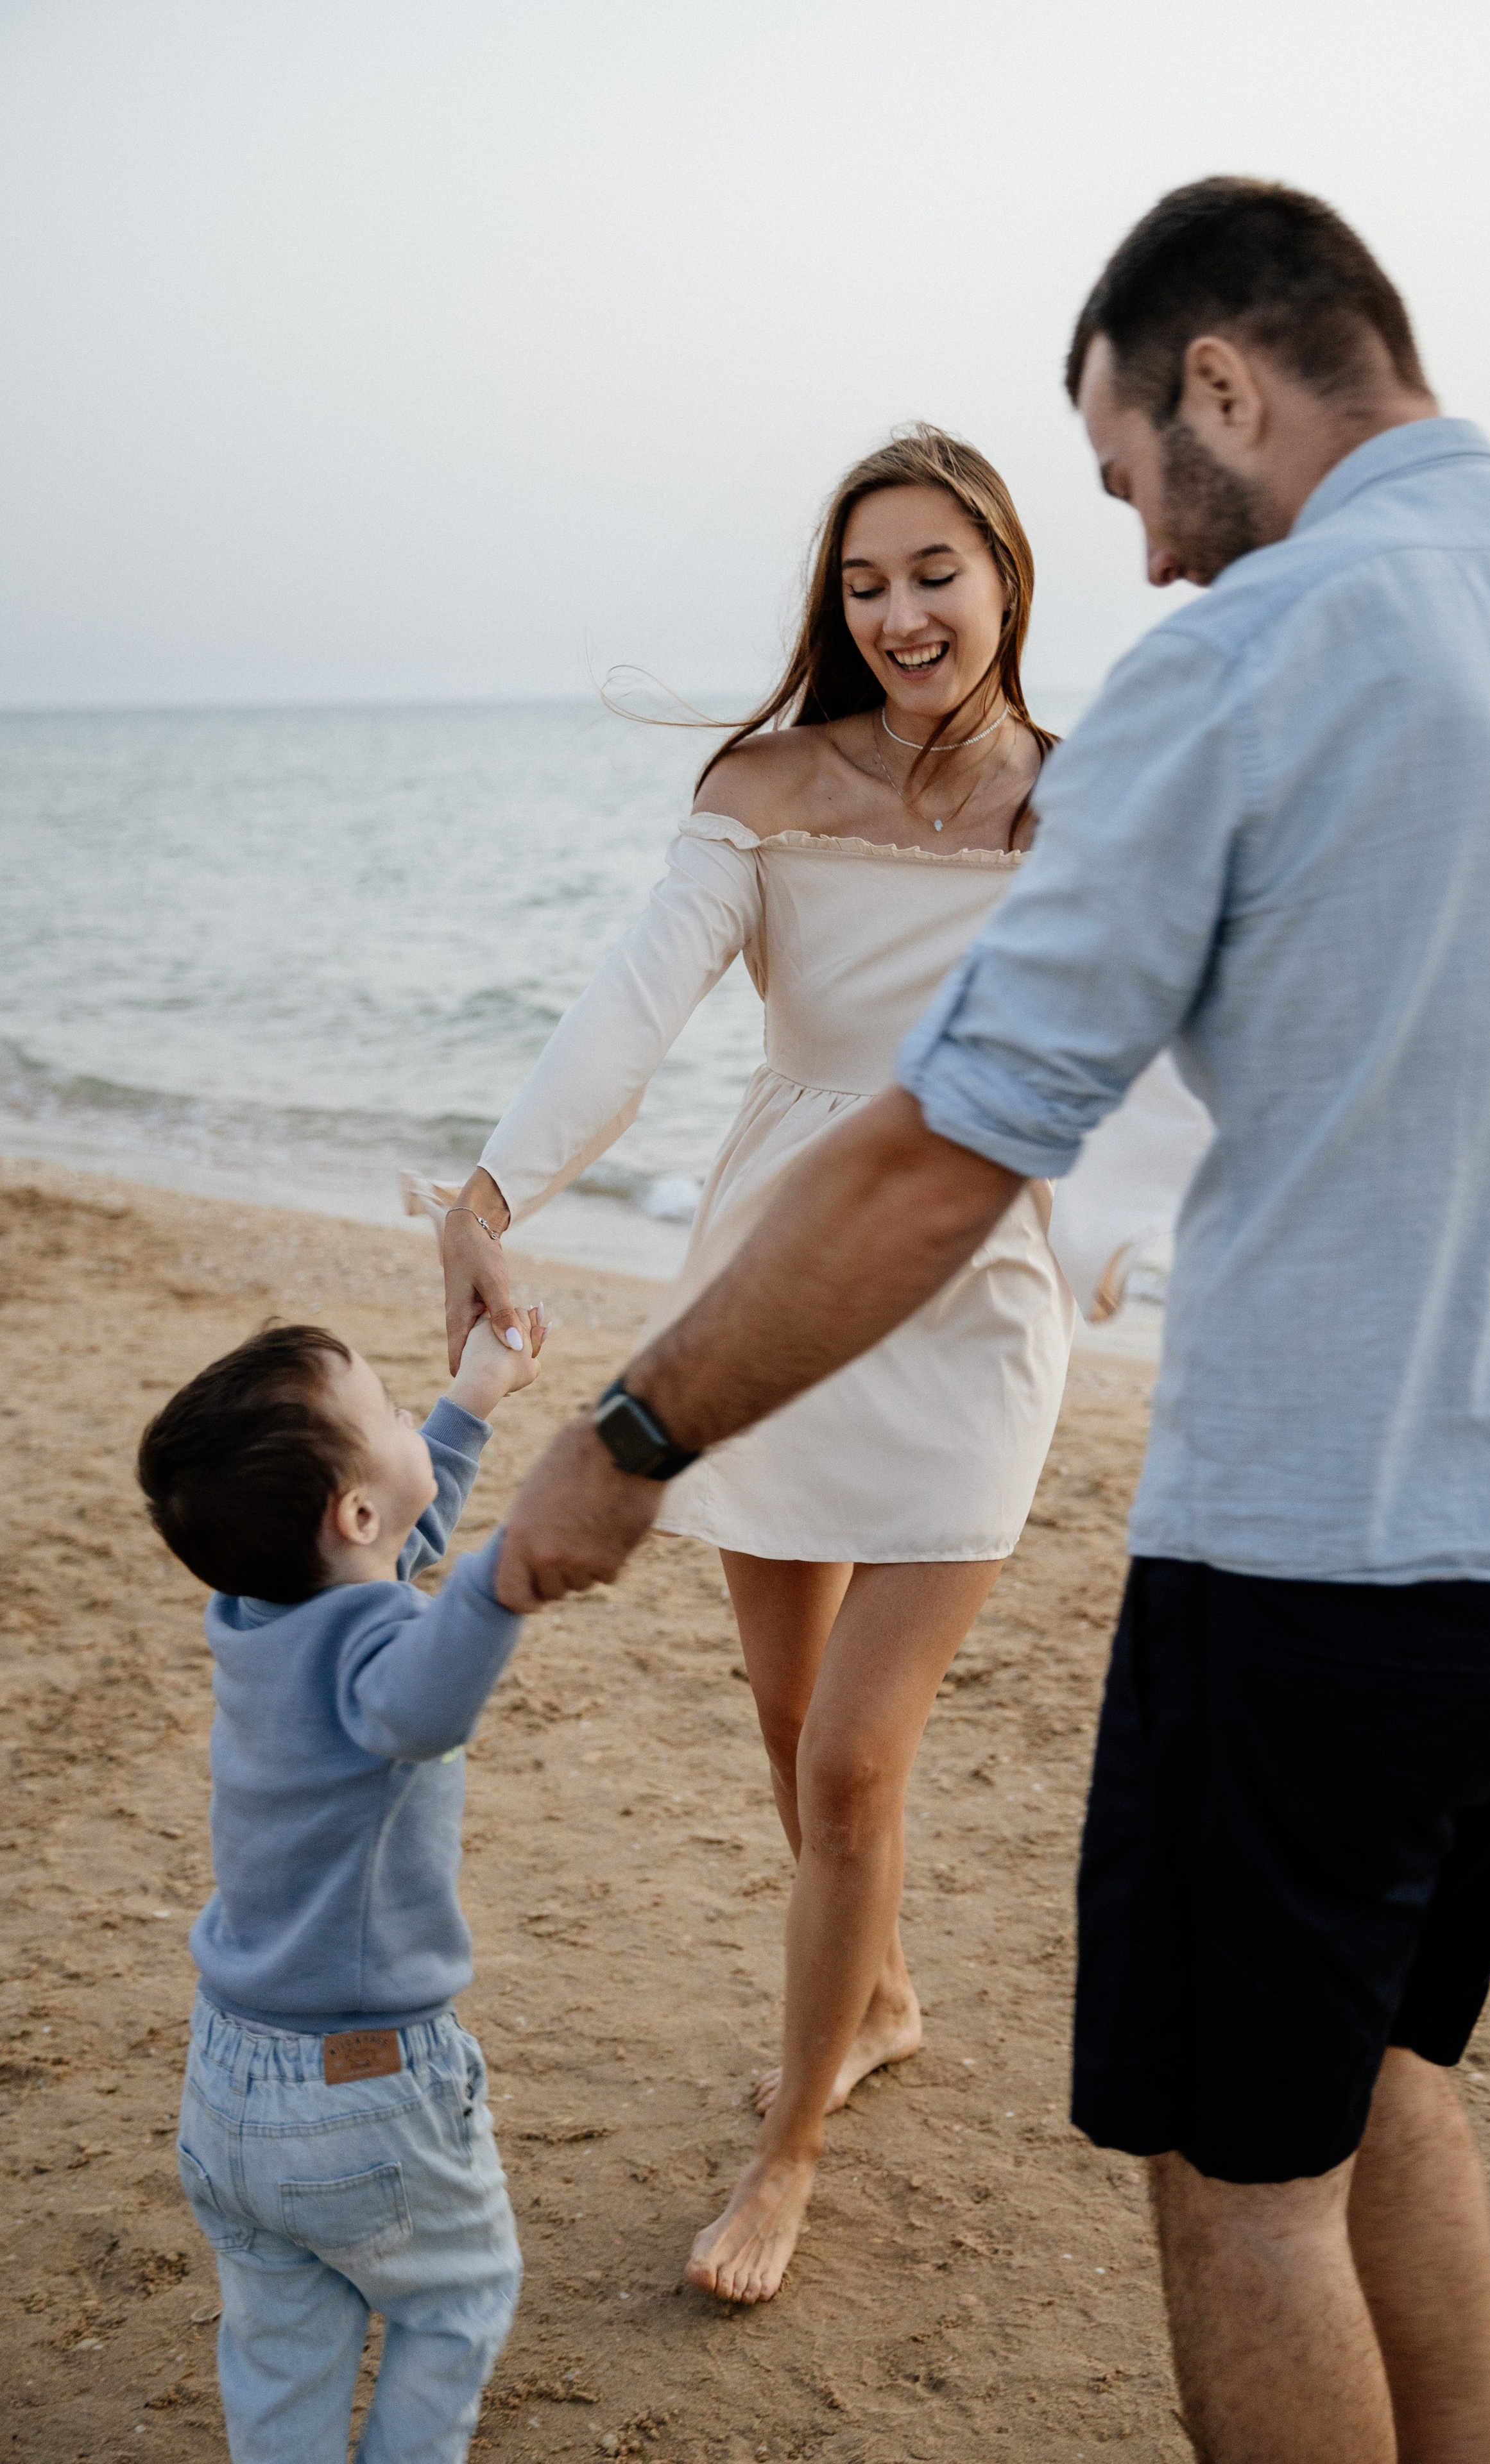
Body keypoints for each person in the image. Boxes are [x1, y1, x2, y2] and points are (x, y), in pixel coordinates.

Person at [485, 177, 1490, 2464]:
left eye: (1127, 481)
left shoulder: (1239, 664)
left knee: (1245, 2173)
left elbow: (948, 1154)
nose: (1154, 554)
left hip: (1329, 1564)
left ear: (1221, 384)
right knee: (1391, 2068)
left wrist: (627, 1441)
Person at [428, 425, 1076, 2304]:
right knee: (798, 1741)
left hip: (976, 1293)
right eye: (864, 584)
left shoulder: (1085, 804)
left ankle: (787, 2148)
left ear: (1006, 575)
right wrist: (490, 1189)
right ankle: (877, 1997)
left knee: (858, 1758)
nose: (899, 615)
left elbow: (1155, 1046)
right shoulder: (768, 787)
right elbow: (635, 1001)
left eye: (934, 573)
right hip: (771, 1298)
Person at [136, 1309, 546, 2463]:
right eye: (397, 1411)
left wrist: (471, 1401)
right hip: (363, 2088)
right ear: (356, 1515)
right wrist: (511, 1572)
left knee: (285, 2345)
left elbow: (391, 1554)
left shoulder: (256, 1612)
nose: (416, 1418)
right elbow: (424, 1694)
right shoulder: (384, 1667)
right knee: (459, 2298)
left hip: (229, 2078)